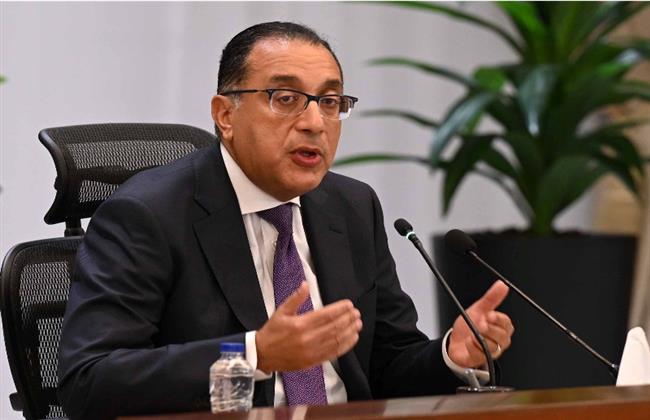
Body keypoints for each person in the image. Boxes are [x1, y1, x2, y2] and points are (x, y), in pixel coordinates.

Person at [57, 21, 514, 420]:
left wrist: (450, 355)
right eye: (287, 98)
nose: (315, 122)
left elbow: (385, 366)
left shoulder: (352, 207)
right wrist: (254, 356)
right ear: (225, 115)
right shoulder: (148, 215)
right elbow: (89, 381)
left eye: (330, 101)